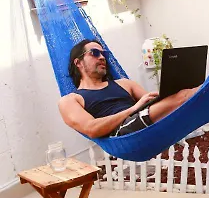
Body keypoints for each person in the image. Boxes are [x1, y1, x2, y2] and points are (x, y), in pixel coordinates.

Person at [58, 39, 198, 138]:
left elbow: (156, 104)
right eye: (94, 53)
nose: (102, 57)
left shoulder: (125, 84)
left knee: (180, 95)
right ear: (78, 62)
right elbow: (92, 129)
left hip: (143, 120)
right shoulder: (70, 100)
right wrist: (133, 109)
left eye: (104, 54)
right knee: (183, 97)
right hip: (121, 135)